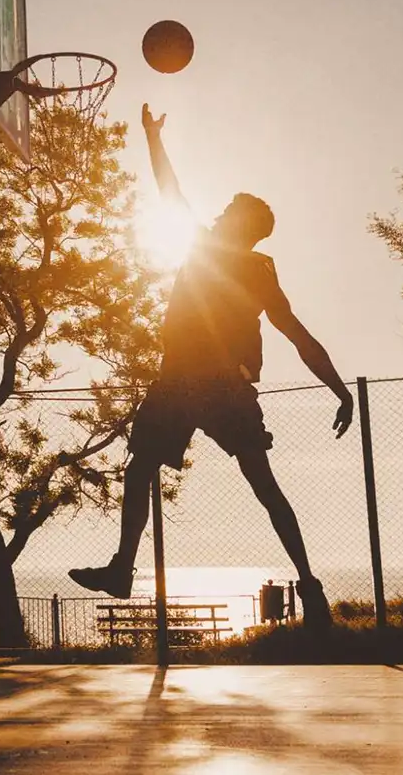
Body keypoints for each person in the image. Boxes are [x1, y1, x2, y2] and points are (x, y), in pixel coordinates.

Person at [68, 103, 356, 627]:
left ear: (243, 224)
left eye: (229, 210)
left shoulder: (228, 256)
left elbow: (169, 190)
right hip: (209, 384)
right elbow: (298, 335)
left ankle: (123, 568)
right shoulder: (250, 266)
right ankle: (308, 587)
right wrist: (339, 390)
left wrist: (153, 139)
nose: (219, 213)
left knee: (154, 473)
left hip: (191, 382)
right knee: (253, 485)